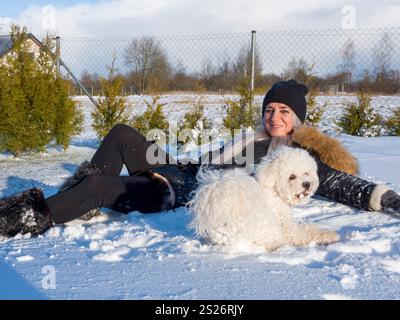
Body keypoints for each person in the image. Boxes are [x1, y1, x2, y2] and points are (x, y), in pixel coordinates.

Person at [1, 80, 400, 238]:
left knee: (99, 186)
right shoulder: (252, 139)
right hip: (179, 170)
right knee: (123, 133)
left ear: (298, 119)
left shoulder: (297, 159)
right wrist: (169, 163)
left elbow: (340, 182)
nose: (274, 117)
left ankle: (30, 215)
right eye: (270, 109)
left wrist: (386, 199)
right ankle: (77, 203)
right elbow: (207, 161)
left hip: (179, 194)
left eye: (284, 112)